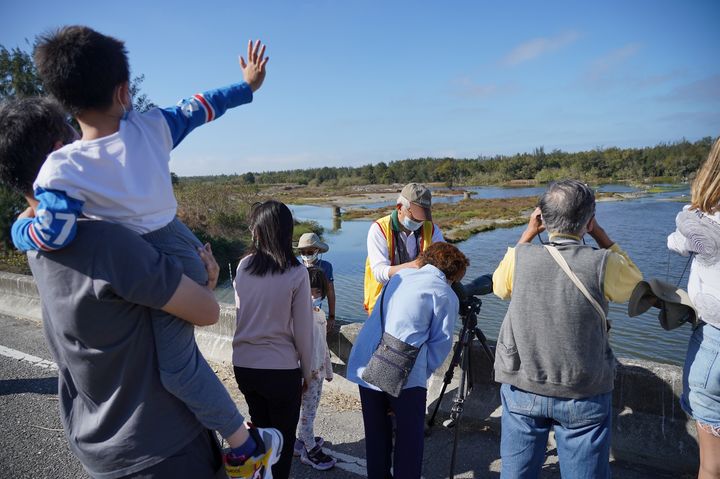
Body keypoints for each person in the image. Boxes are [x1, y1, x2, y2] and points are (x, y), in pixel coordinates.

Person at [7, 26, 278, 476]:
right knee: (177, 363)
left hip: (154, 257)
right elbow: (203, 105)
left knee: (178, 369)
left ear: (65, 103)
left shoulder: (62, 166)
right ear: (123, 90)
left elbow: (51, 234)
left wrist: (20, 231)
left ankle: (246, 446)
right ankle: (243, 444)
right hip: (179, 244)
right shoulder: (153, 125)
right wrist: (247, 85)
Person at [492, 179, 643, 479]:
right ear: (588, 221)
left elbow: (499, 286)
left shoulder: (519, 257)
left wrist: (528, 232)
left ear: (542, 218)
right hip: (582, 390)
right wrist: (599, 233)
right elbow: (637, 285)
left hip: (523, 385)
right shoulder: (603, 263)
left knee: (516, 474)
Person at [348, 242, 468, 479]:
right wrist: (418, 375)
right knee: (409, 442)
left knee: (376, 438)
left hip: (366, 365)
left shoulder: (400, 277)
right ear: (452, 273)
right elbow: (440, 345)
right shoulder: (444, 294)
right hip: (404, 372)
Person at [232, 200, 315, 479]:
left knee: (262, 435)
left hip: (244, 366)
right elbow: (304, 330)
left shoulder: (243, 267)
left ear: (258, 231)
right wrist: (308, 371)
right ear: (286, 231)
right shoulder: (296, 272)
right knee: (282, 442)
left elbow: (242, 313)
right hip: (280, 369)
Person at [667, 137, 720, 479]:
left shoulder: (705, 220)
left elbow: (688, 239)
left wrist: (689, 211)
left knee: (711, 465)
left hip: (715, 341)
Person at [364, 182, 444, 315]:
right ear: (400, 207)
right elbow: (379, 273)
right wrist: (414, 266)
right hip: (384, 303)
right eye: (415, 216)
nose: (419, 222)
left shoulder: (432, 229)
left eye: (423, 217)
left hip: (417, 302)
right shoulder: (379, 229)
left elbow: (443, 262)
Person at [293, 266, 337, 470]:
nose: (314, 296)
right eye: (309, 292)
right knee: (307, 412)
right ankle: (309, 448)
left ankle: (303, 438)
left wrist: (327, 370)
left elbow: (323, 345)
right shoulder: (299, 317)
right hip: (306, 374)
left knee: (312, 409)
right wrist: (305, 375)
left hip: (318, 372)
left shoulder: (319, 313)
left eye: (318, 292)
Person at [297, 232, 337, 331]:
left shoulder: (326, 266)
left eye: (309, 252)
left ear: (317, 251)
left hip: (316, 312)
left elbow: (330, 291)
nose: (306, 255)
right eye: (303, 252)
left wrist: (331, 317)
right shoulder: (296, 267)